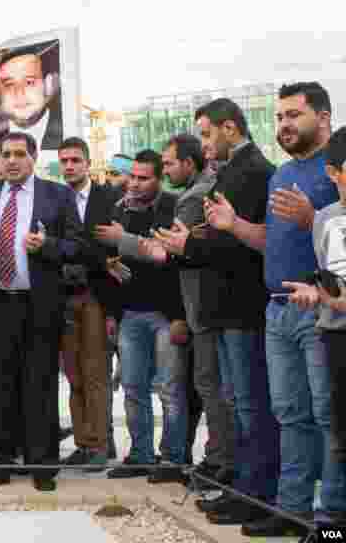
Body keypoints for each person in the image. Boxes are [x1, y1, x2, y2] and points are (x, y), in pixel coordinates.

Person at [201, 83, 343, 536]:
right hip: (278, 311)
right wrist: (235, 225)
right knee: (289, 415)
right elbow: (270, 242)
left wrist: (313, 217)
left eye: (293, 115)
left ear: (323, 117)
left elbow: (334, 238)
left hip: (323, 312)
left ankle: (330, 516)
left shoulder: (337, 170)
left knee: (327, 418)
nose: (283, 125)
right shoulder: (281, 176)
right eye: (279, 117)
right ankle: (292, 508)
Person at [156, 97, 279, 526]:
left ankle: (258, 495)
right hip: (225, 308)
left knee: (250, 407)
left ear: (230, 128)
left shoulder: (253, 172)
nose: (204, 145)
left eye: (207, 134)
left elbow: (236, 244)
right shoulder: (230, 172)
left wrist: (188, 245)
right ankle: (243, 489)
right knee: (236, 404)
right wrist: (188, 244)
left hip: (244, 308)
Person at [0, 132, 80, 492]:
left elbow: (78, 245)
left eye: (19, 154)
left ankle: (42, 465)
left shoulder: (57, 195)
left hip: (38, 304)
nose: (11, 161)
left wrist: (47, 245)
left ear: (33, 157)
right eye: (6, 154)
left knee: (39, 386)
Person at [95, 150, 186, 481]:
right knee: (133, 389)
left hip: (166, 314)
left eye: (143, 178)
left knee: (170, 391)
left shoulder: (173, 207)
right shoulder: (117, 208)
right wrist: (110, 266)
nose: (134, 183)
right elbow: (107, 256)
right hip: (129, 314)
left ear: (159, 179)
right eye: (131, 176)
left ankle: (174, 460)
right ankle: (141, 455)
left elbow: (168, 258)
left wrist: (126, 241)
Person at [156, 133, 234, 486]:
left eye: (169, 162)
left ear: (189, 163)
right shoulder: (197, 191)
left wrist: (124, 242)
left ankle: (221, 463)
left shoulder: (195, 197)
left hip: (203, 308)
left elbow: (172, 253)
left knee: (210, 385)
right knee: (208, 385)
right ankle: (219, 460)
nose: (165, 169)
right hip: (201, 307)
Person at [283, 126, 346, 537]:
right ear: (335, 172)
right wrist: (316, 292)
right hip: (335, 336)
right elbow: (333, 282)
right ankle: (333, 522)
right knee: (339, 433)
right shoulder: (326, 219)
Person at [56, 137, 120, 470]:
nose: (69, 166)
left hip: (97, 297)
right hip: (64, 299)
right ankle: (84, 443)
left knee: (96, 374)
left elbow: (112, 250)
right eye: (64, 160)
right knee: (74, 376)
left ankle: (100, 444)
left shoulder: (109, 197)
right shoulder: (54, 198)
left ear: (87, 162)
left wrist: (89, 260)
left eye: (75, 160)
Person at [0, 43, 62, 151]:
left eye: (29, 82)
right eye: (9, 84)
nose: (19, 93)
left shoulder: (65, 132)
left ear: (48, 84)